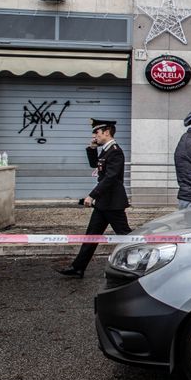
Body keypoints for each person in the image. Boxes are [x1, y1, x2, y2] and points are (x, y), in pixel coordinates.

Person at [56, 119, 131, 279]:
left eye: (96, 132)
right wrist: (92, 148)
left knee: (126, 236)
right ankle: (78, 268)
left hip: (112, 203)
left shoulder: (115, 151)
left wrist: (92, 196)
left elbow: (110, 178)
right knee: (91, 235)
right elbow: (94, 165)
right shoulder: (106, 150)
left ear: (106, 132)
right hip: (104, 203)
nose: (94, 135)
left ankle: (143, 262)